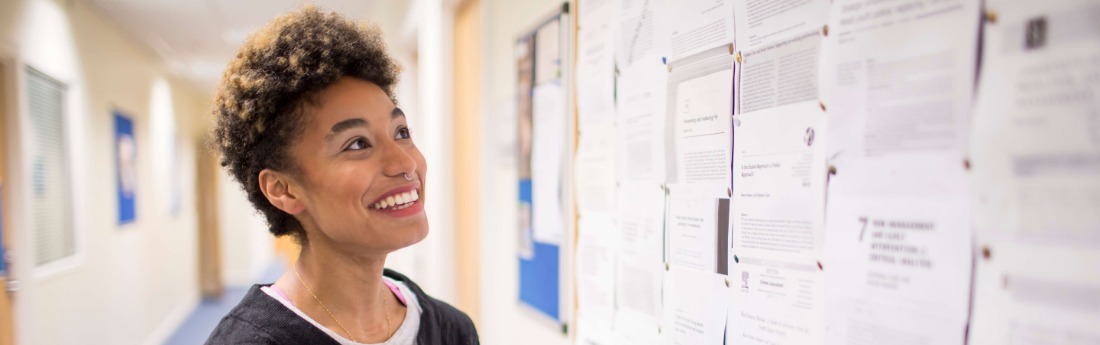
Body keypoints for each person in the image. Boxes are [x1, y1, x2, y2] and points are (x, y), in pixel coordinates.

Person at [205, 6, 478, 345]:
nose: (404, 163)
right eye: (358, 144)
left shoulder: (451, 331)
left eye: (401, 132)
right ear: (283, 189)